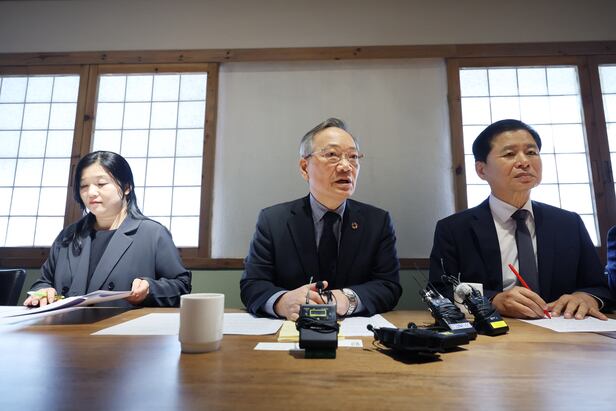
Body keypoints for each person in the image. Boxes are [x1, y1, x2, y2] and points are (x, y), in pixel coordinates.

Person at [429, 119, 611, 320]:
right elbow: (440, 290)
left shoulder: (569, 223)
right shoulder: (454, 229)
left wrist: (586, 297)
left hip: (564, 328)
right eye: (509, 154)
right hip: (494, 332)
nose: (524, 162)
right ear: (481, 170)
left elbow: (599, 286)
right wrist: (492, 301)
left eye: (531, 152)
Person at [240, 118, 402, 321]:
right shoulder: (273, 221)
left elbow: (388, 285)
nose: (346, 166)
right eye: (332, 155)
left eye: (353, 157)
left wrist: (346, 299)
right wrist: (283, 302)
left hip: (355, 334)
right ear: (304, 167)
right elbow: (253, 284)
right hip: (291, 331)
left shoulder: (377, 222)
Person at [24, 151, 191, 308]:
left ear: (127, 187)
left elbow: (181, 285)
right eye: (84, 185)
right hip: (65, 327)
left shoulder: (153, 233)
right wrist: (43, 292)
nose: (91, 192)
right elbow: (43, 281)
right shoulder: (68, 235)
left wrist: (150, 289)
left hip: (124, 328)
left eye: (101, 184)